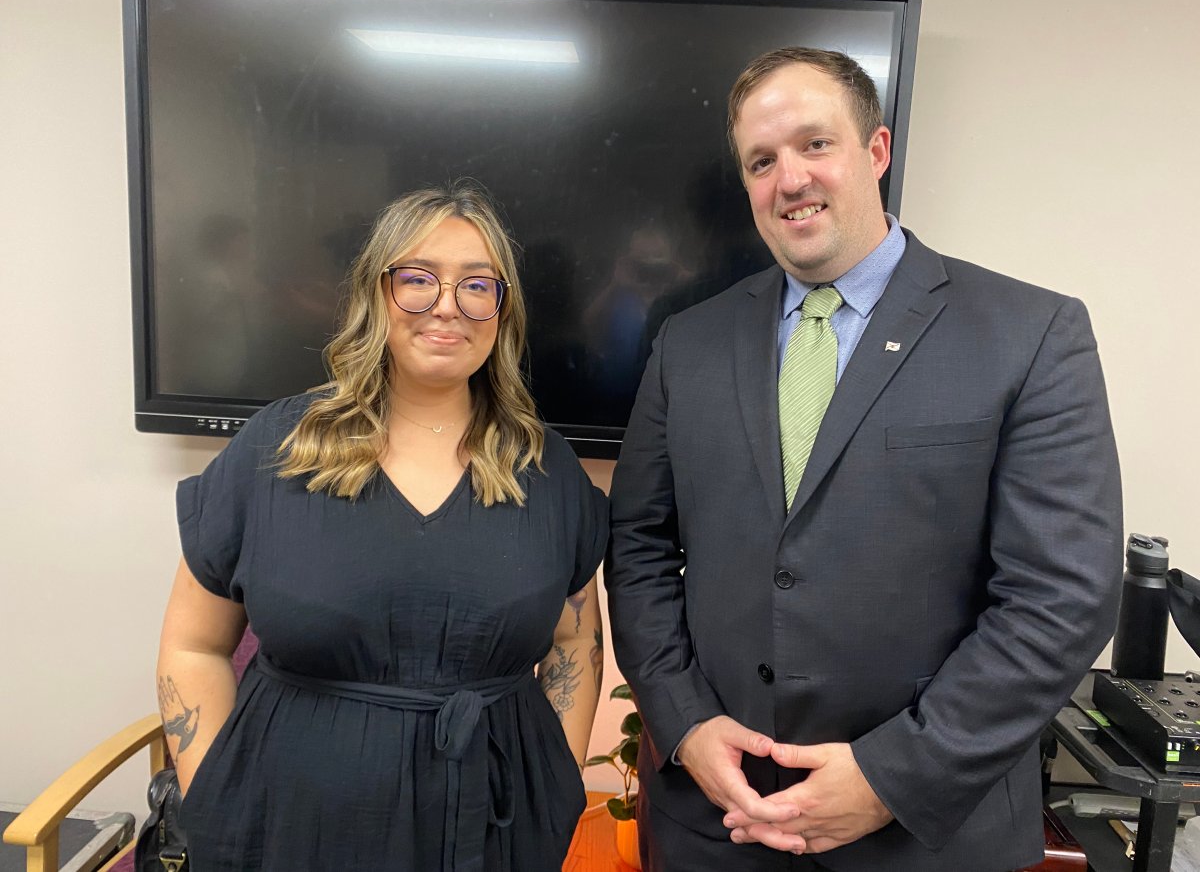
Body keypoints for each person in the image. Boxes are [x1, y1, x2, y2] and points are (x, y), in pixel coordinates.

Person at [606, 47, 1122, 872]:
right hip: (715, 826)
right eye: (761, 161)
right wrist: (686, 724)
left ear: (875, 151)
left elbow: (1062, 597)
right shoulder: (687, 344)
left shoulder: (1030, 334)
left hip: (924, 835)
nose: (790, 179)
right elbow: (636, 551)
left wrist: (891, 776)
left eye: (816, 145)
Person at [156, 182, 608, 871]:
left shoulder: (547, 470)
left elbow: (576, 639)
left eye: (477, 285)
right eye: (418, 279)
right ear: (378, 292)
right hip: (287, 831)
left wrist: (557, 786)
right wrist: (216, 795)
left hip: (492, 833)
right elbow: (192, 645)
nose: (447, 306)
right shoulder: (276, 449)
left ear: (502, 309)